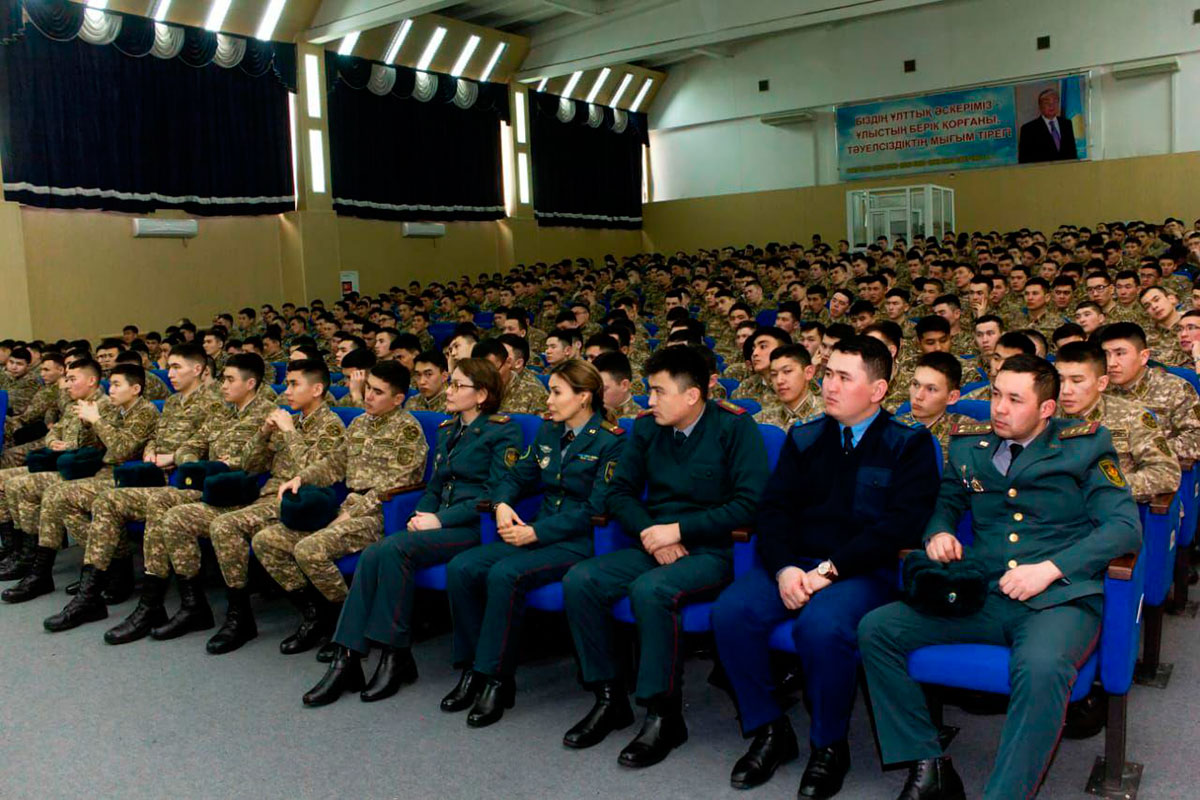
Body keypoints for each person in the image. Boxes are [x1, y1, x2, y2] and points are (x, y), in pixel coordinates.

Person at [858, 355, 1141, 800]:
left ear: (1046, 409)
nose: (999, 408)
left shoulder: (1084, 446)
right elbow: (947, 500)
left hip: (1059, 599)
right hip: (985, 592)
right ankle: (928, 763)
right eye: (995, 394)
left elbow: (1124, 528)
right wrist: (939, 531)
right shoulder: (969, 446)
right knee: (877, 629)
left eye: (1014, 399)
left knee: (1042, 668)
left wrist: (1049, 569)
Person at [711, 336, 939, 796]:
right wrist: (783, 569)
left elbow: (898, 527)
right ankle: (770, 729)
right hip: (797, 564)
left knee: (820, 626)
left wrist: (827, 573)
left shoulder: (907, 444)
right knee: (731, 611)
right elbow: (773, 511)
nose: (829, 386)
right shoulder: (805, 437)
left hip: (864, 572)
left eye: (844, 378)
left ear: (877, 390)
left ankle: (829, 745)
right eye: (828, 374)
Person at [560, 346, 769, 768]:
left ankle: (664, 714)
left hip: (715, 548)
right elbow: (619, 492)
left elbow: (750, 505)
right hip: (654, 540)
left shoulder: (734, 427)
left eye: (658, 391)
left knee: (651, 591)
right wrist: (652, 535)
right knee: (581, 580)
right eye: (649, 391)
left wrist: (680, 530)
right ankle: (609, 697)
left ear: (692, 395)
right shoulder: (647, 427)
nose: (649, 400)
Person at [302, 358, 521, 707]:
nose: (449, 391)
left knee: (393, 549)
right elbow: (434, 485)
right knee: (376, 552)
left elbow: (493, 492)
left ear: (481, 395)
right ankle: (348, 657)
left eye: (457, 386)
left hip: (474, 526)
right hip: (441, 522)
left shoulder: (502, 431)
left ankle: (394, 654)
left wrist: (440, 520)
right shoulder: (449, 429)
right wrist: (423, 512)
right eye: (451, 384)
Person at [442, 359, 625, 728]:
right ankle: (472, 667)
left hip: (578, 540)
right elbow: (515, 476)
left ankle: (496, 679)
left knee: (505, 574)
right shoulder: (548, 431)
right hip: (537, 530)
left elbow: (596, 508)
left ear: (584, 397)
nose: (549, 400)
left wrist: (537, 533)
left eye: (557, 392)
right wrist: (502, 503)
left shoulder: (610, 441)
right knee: (462, 567)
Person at [255, 360, 427, 657]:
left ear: (398, 398)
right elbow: (334, 462)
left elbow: (396, 486)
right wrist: (302, 478)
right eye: (367, 388)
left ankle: (349, 625)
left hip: (379, 515)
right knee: (267, 541)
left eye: (378, 392)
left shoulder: (407, 431)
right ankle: (317, 614)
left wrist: (351, 514)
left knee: (310, 549)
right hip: (345, 506)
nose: (368, 396)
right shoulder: (360, 423)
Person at [105, 354, 277, 646]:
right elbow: (191, 446)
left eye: (229, 379)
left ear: (250, 383)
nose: (223, 385)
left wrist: (226, 464)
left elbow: (255, 463)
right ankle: (180, 603)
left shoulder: (267, 414)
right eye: (222, 379)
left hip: (239, 493)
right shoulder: (222, 410)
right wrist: (200, 463)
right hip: (208, 483)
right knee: (163, 505)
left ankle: (166, 604)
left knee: (167, 506)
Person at [0, 359, 111, 591]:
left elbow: (102, 449)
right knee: (4, 480)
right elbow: (53, 432)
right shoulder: (73, 406)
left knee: (25, 486)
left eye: (72, 379)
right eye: (66, 379)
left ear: (91, 380)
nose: (67, 385)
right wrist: (55, 443)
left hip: (84, 470)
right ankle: (19, 550)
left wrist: (74, 441)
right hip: (61, 463)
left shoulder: (105, 406)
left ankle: (37, 565)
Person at [1054, 342, 1180, 503]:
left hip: (1108, 507)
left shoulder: (1132, 416)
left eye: (1077, 381)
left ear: (1101, 383)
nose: (1065, 390)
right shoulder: (1044, 415)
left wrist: (1103, 487)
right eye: (1060, 380)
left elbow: (1166, 474)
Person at [1098, 323, 1200, 461]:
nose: (1111, 363)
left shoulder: (1174, 388)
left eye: (1120, 354)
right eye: (1106, 355)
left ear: (1144, 356)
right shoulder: (1099, 389)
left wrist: (1146, 450)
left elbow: (1196, 437)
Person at [895, 352, 968, 465]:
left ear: (952, 397)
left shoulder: (965, 436)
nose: (918, 396)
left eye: (931, 389)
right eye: (915, 384)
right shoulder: (891, 429)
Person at [754, 344, 824, 430]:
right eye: (774, 374)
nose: (779, 381)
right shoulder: (761, 420)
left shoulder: (829, 416)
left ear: (808, 373)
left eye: (787, 371)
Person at [1017, 87, 1078, 163]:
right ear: (1040, 106)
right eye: (1046, 103)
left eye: (1055, 102)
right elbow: (1024, 161)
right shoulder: (1028, 129)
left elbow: (1073, 154)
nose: (1051, 106)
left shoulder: (1067, 124)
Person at [594, 351, 643, 419]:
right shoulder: (590, 412)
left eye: (603, 389)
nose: (596, 395)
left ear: (624, 385)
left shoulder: (639, 420)